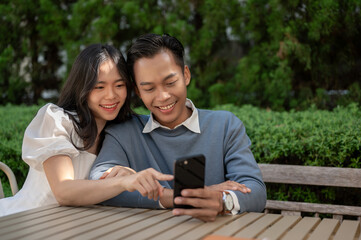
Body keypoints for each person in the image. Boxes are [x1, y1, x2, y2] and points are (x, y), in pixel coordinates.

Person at [89, 34, 267, 222]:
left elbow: (254, 189)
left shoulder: (225, 126)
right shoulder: (123, 132)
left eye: (170, 82)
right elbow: (99, 183)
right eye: (149, 88)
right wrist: (176, 196)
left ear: (186, 75)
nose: (163, 96)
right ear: (138, 92)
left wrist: (222, 201)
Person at [0, 44, 172, 217]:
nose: (111, 95)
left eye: (119, 85)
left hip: (78, 226)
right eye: (99, 87)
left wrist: (128, 176)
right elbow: (64, 191)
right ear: (82, 87)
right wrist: (123, 182)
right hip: (24, 220)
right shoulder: (58, 120)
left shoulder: (119, 133)